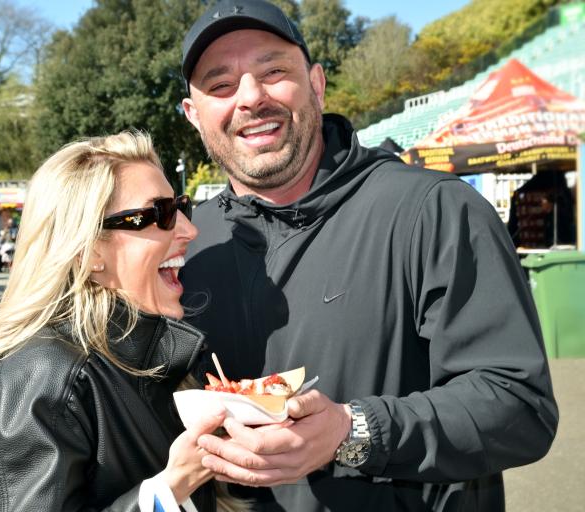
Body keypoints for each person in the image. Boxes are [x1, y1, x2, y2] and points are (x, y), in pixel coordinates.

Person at [177, 1, 558, 510]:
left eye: (273, 72)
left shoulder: (435, 211)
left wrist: (353, 433)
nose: (251, 98)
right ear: (193, 114)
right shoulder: (186, 244)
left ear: (316, 83)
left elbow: (520, 407)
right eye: (221, 85)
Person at [0, 132, 248, 511]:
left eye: (180, 207)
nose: (189, 230)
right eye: (161, 214)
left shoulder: (152, 357)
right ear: (89, 250)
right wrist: (167, 492)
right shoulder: (41, 376)